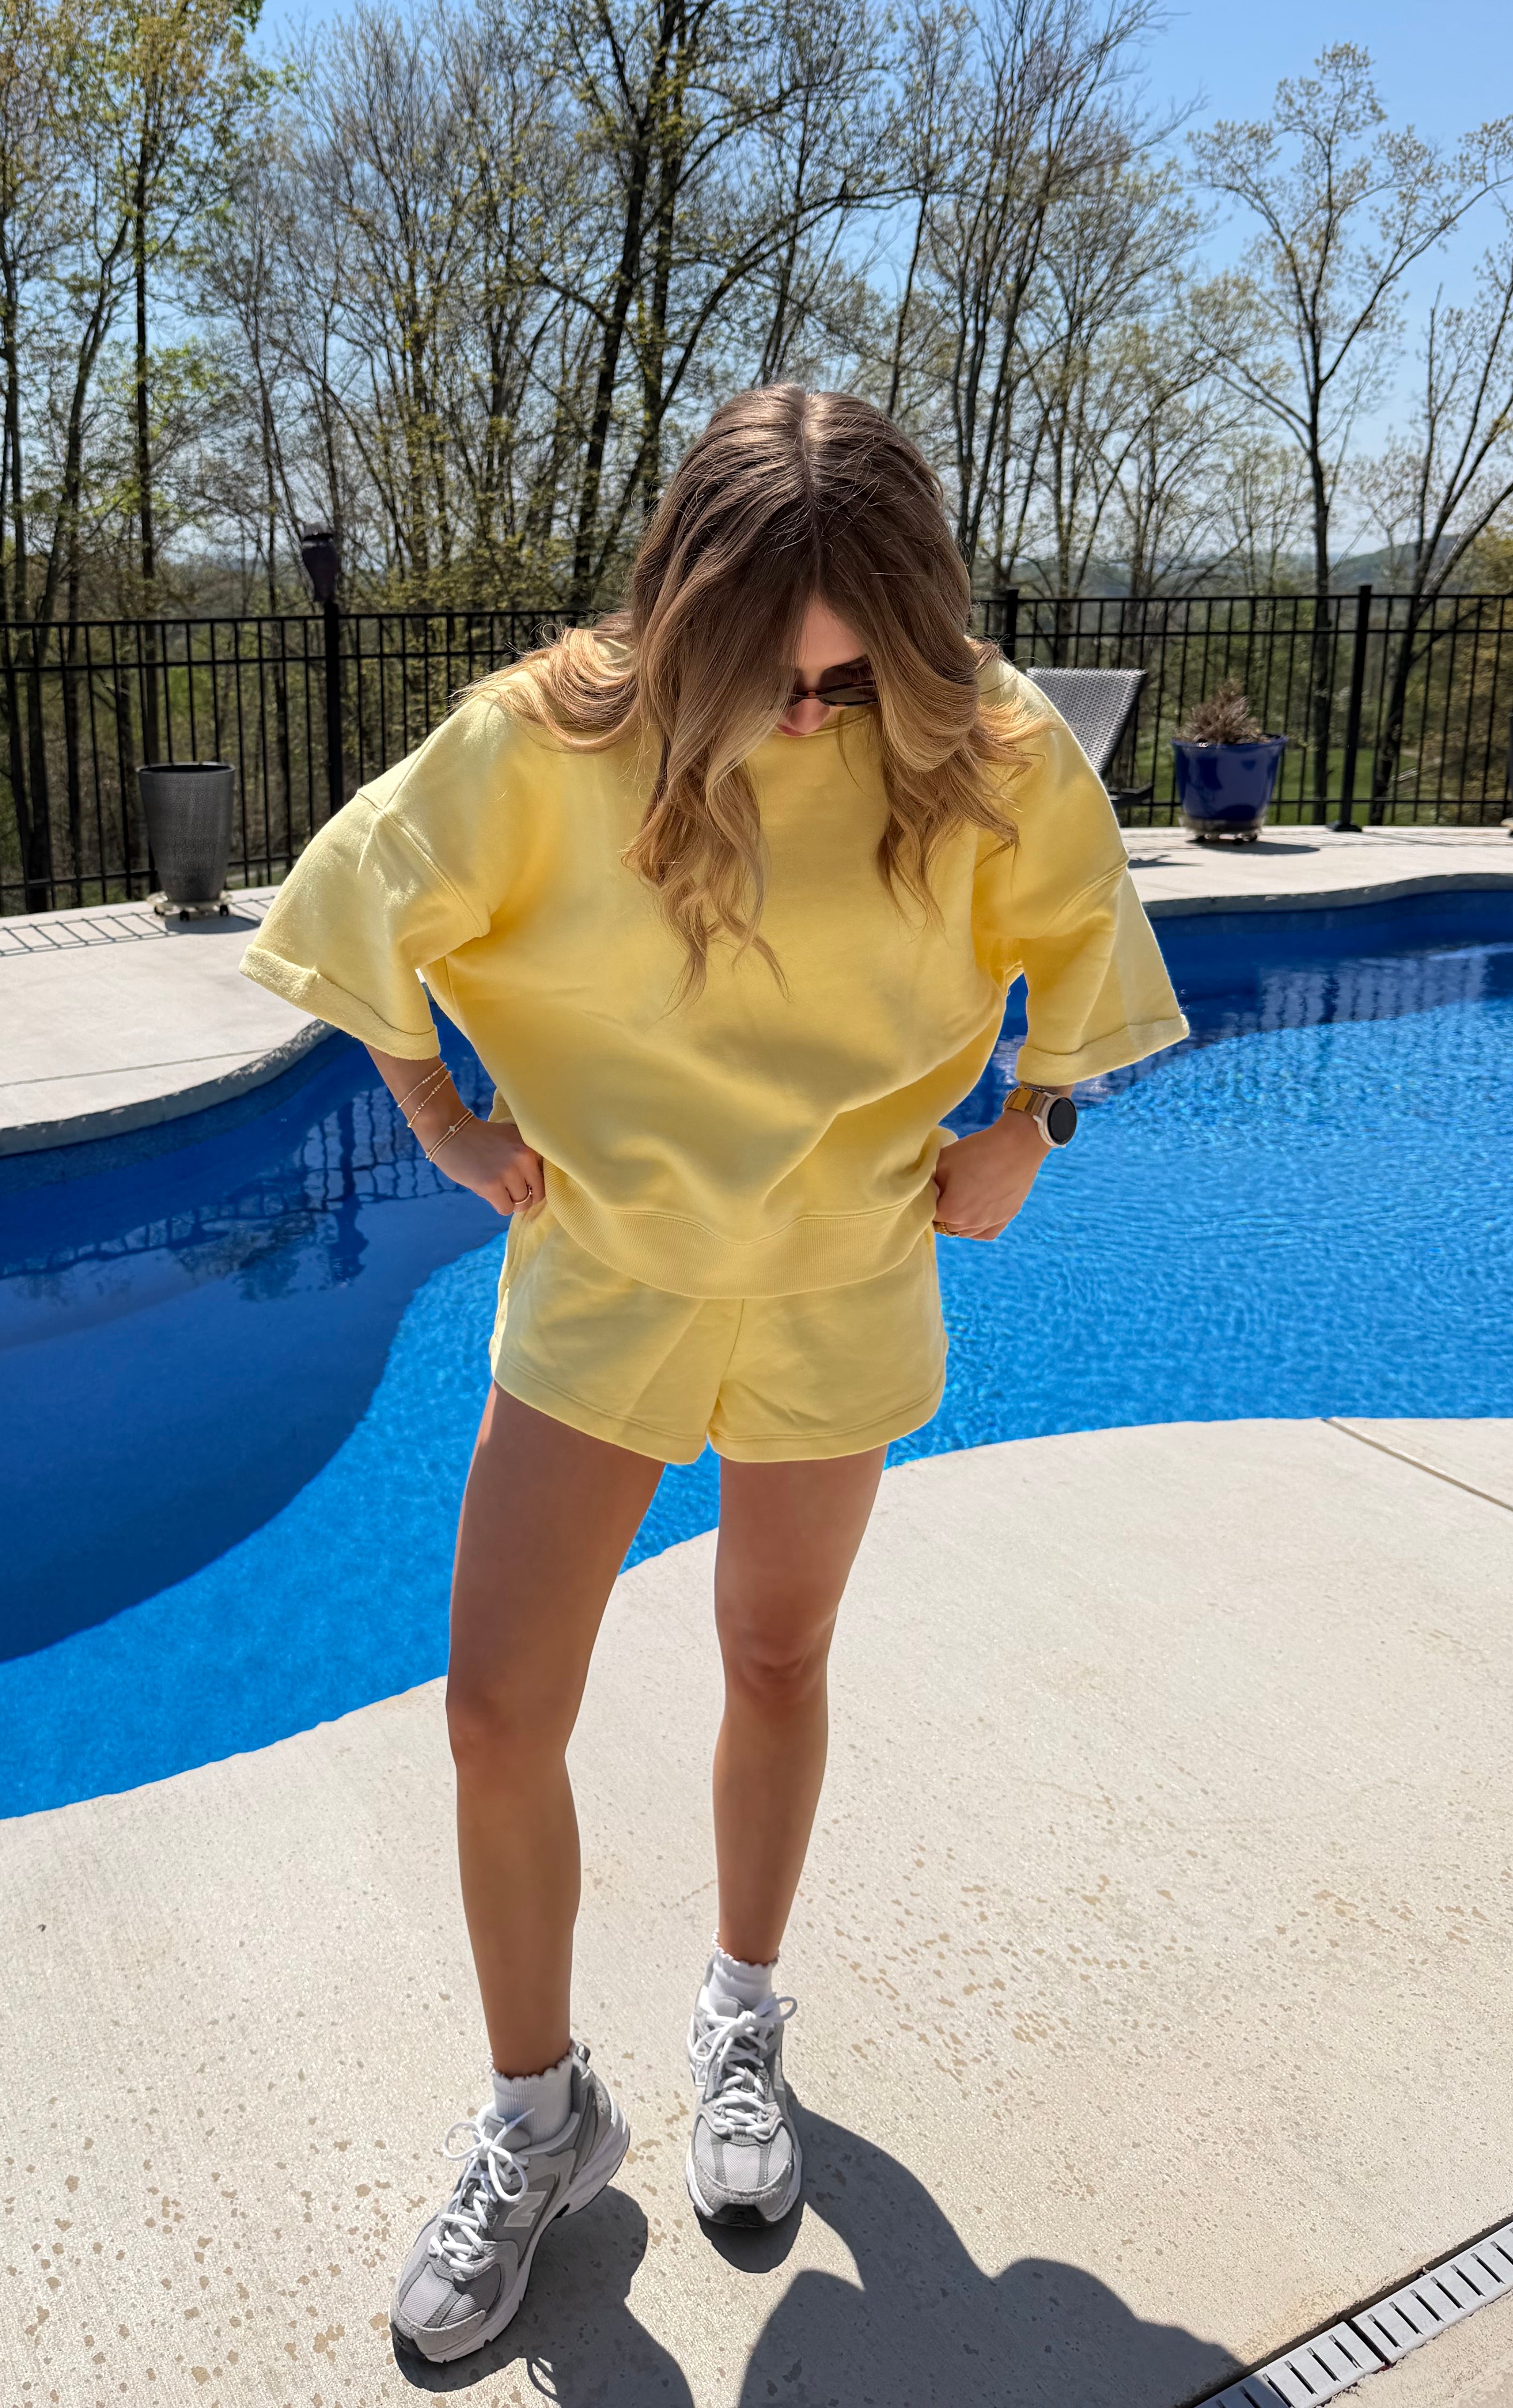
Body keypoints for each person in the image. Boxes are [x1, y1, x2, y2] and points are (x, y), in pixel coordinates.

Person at [239, 385, 1187, 2365]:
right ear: (687, 616)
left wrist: (1037, 1126)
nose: (812, 719)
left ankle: (743, 2025)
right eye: (778, 677)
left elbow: (1085, 937)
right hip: (609, 1275)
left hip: (844, 1272)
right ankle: (541, 2120)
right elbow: (353, 900)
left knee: (776, 1657)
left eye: (855, 680)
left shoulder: (983, 740)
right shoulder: (548, 736)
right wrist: (431, 1107)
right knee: (497, 1713)